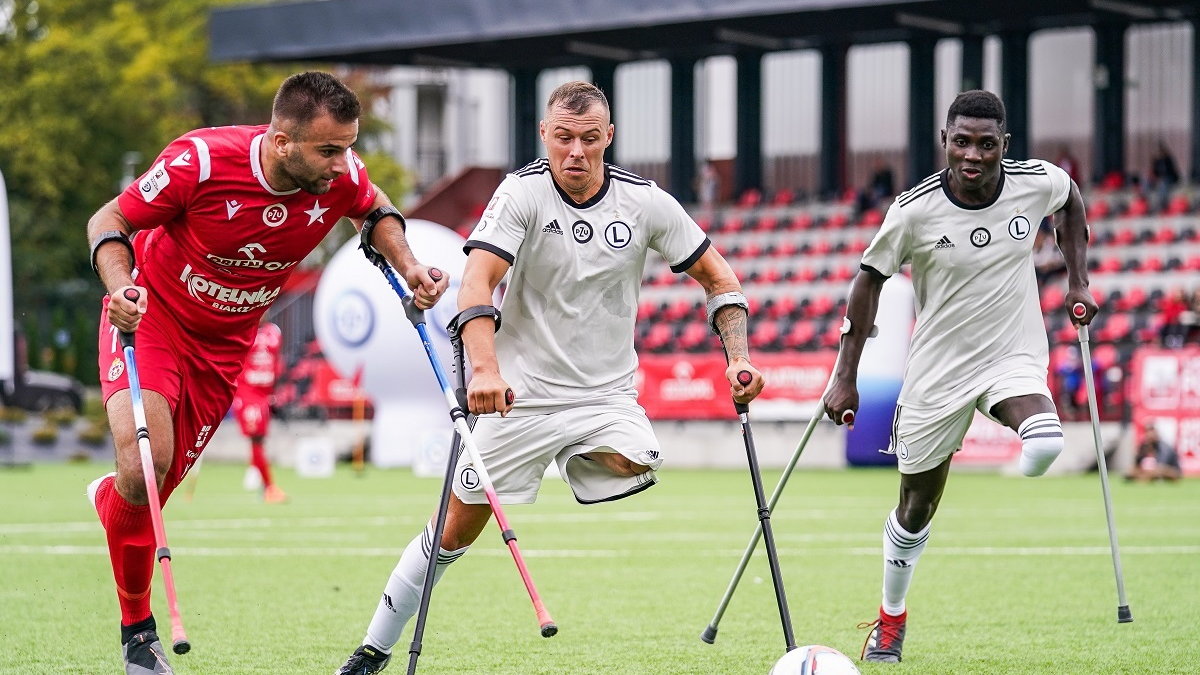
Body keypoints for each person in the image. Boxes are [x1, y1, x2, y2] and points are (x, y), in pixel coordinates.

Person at [335, 80, 765, 675]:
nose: (576, 153)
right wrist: (483, 368)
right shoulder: (522, 193)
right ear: (545, 135)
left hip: (605, 399)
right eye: (563, 138)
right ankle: (372, 649)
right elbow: (476, 283)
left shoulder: (647, 203)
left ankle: (575, 455)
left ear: (608, 138)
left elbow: (722, 281)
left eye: (590, 140)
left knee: (642, 457)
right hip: (518, 398)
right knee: (451, 536)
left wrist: (737, 356)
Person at [85, 71, 449, 675]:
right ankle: (139, 636)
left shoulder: (342, 176)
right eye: (330, 150)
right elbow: (109, 221)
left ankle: (114, 500)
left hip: (224, 348)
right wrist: (121, 287)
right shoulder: (199, 161)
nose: (344, 163)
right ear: (282, 142)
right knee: (145, 466)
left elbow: (375, 209)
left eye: (349, 147)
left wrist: (409, 265)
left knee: (152, 490)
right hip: (151, 318)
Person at [821, 90, 1097, 664]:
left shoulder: (1036, 182)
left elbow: (1071, 201)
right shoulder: (913, 210)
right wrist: (844, 375)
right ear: (944, 141)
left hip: (1010, 354)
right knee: (915, 508)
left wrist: (1078, 281)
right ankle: (890, 622)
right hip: (936, 372)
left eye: (986, 144)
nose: (973, 154)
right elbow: (868, 280)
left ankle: (1025, 447)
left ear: (1005, 146)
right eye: (962, 141)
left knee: (1045, 438)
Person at [232, 320, 287, 503]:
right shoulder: (243, 329)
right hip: (248, 392)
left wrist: (274, 391)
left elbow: (276, 361)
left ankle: (257, 472)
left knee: (260, 439)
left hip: (265, 394)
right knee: (256, 438)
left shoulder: (274, 331)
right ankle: (268, 487)